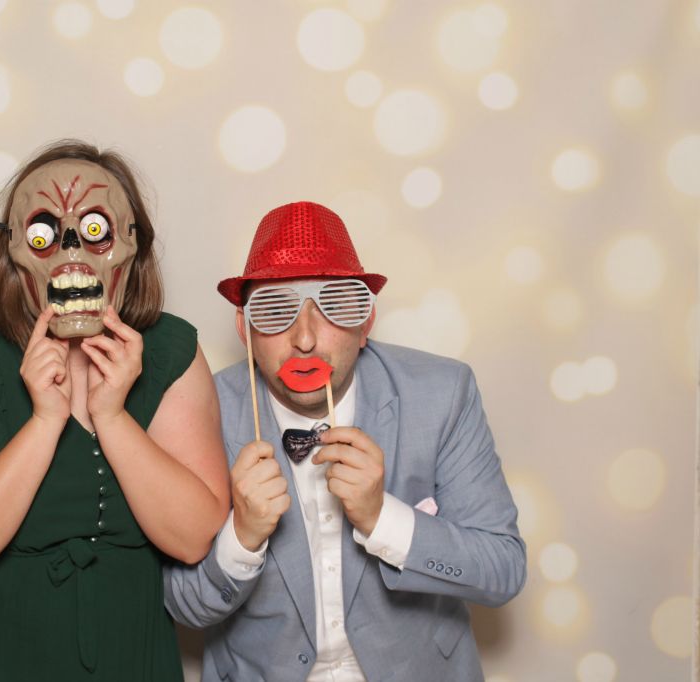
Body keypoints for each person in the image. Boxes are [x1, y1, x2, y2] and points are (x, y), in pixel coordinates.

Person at [0, 139, 229, 681]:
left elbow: (193, 537)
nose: (71, 254)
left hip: (129, 657)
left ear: (132, 244)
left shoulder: (171, 352)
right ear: (13, 250)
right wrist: (44, 420)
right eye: (44, 234)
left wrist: (113, 416)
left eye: (96, 229)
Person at [164, 201, 526, 681]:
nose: (305, 339)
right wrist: (242, 538)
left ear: (365, 322)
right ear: (245, 328)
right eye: (275, 309)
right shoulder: (200, 414)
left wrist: (383, 519)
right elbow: (184, 607)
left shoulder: (442, 394)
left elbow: (502, 571)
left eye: (334, 305)